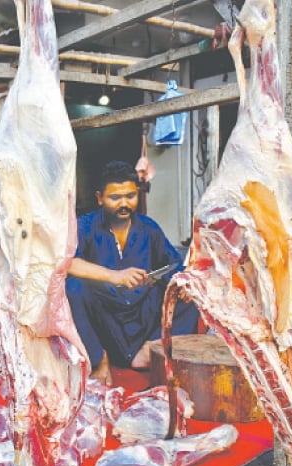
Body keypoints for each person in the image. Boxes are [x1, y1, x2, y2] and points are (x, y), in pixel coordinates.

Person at [66, 161, 199, 385]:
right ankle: (99, 360)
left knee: (189, 292)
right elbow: (67, 264)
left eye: (130, 196)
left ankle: (150, 349)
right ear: (100, 198)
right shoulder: (84, 226)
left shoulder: (148, 228)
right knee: (73, 289)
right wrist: (113, 275)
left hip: (142, 316)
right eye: (115, 198)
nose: (124, 204)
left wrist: (184, 281)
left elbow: (172, 265)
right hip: (105, 322)